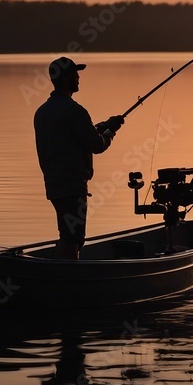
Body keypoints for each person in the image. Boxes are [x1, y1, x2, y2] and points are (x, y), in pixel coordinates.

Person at [34, 57, 124, 259]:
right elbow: (96, 145)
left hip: (53, 185)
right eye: (75, 74)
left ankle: (63, 272)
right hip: (72, 185)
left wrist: (103, 126)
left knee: (68, 233)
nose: (78, 78)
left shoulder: (42, 112)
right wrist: (109, 133)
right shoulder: (75, 111)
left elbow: (74, 137)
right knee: (72, 237)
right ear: (66, 79)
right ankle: (67, 278)